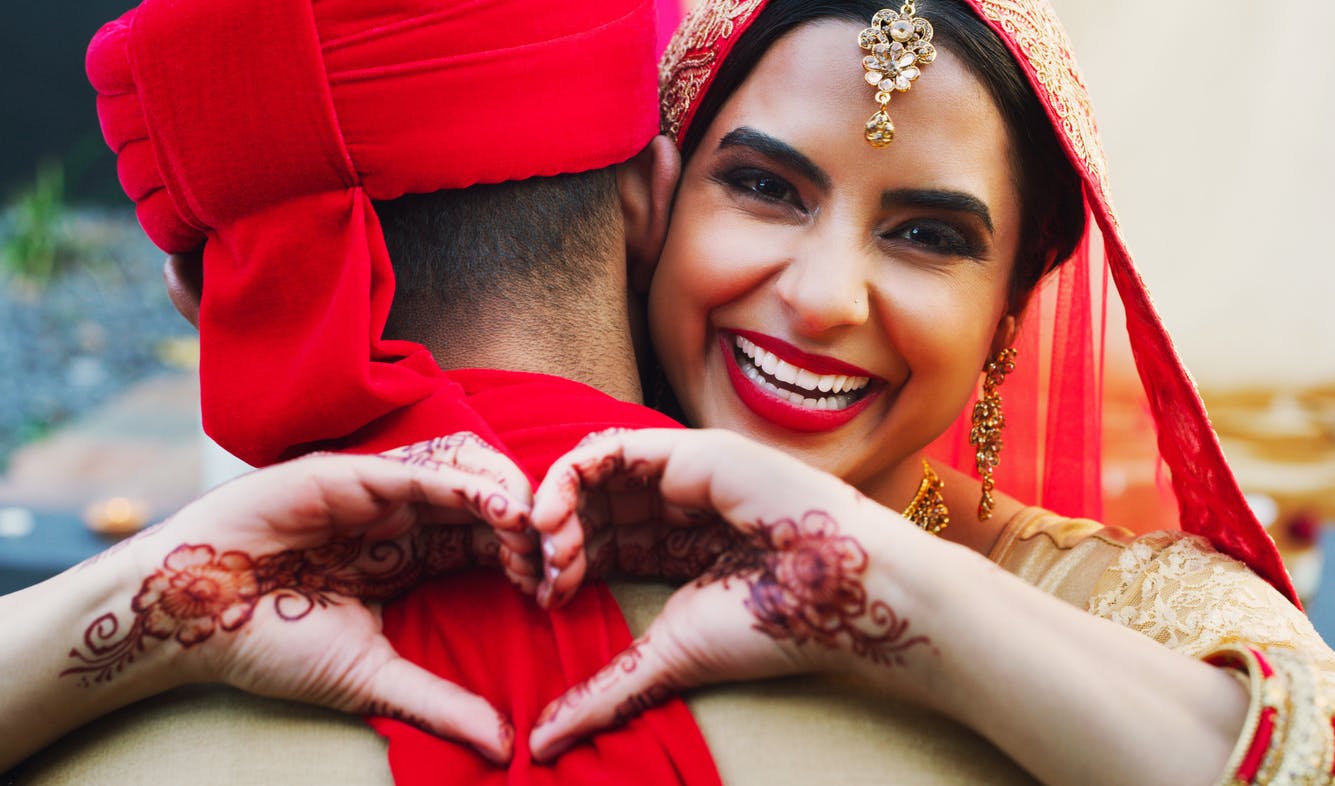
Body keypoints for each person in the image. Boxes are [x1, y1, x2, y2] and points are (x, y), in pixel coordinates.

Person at [515, 1, 1335, 784]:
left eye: (925, 237)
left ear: (1009, 307)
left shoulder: (1141, 611)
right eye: (765, 188)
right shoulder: (485, 516)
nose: (825, 296)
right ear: (655, 200)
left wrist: (882, 577)